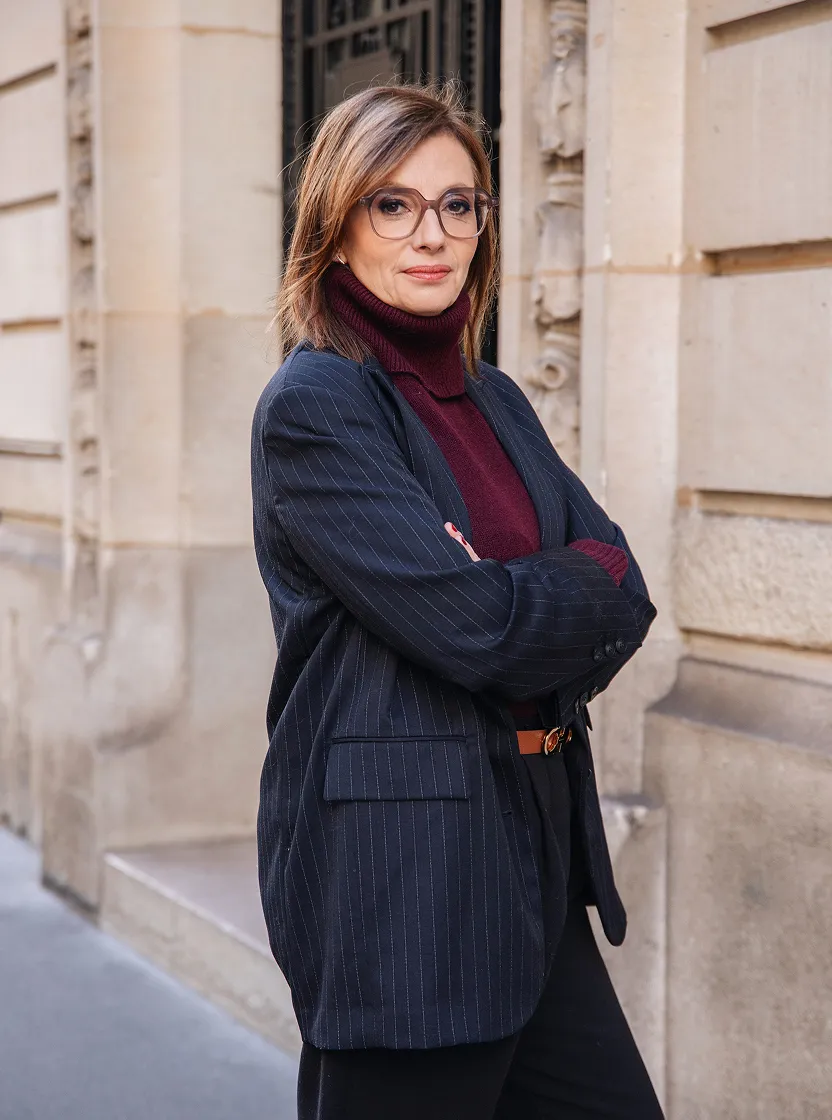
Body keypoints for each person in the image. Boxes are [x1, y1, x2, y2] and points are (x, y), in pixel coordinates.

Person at [251, 82, 663, 1120]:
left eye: (458, 204)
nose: (430, 234)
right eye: (391, 204)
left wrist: (546, 581)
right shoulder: (316, 406)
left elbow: (629, 584)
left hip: (533, 843)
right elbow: (480, 629)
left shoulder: (496, 398)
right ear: (336, 226)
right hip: (407, 882)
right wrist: (563, 583)